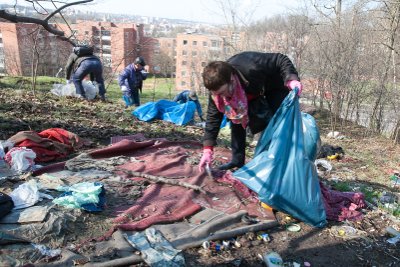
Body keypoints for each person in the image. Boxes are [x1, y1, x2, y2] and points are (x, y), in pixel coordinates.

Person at [198, 51, 303, 171]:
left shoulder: (251, 65)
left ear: (231, 79)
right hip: (248, 95)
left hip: (272, 86)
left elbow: (280, 59)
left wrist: (291, 79)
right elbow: (213, 118)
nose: (221, 97)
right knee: (235, 116)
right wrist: (208, 149)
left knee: (275, 123)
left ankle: (277, 162)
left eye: (222, 92)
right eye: (217, 94)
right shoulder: (217, 92)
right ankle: (237, 161)